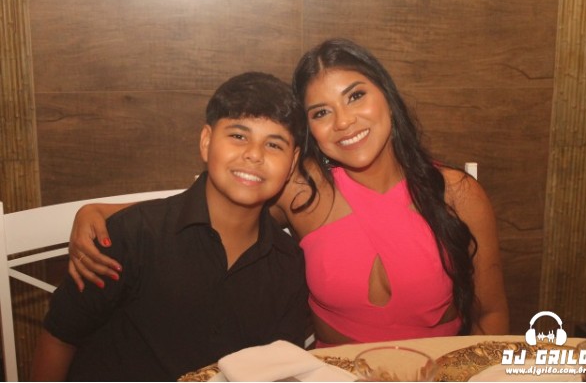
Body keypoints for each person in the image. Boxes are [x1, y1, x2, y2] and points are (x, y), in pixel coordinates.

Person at [67, 39, 509, 348]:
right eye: (321, 112)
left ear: (387, 97)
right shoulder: (303, 189)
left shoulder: (456, 193)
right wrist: (100, 211)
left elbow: (490, 316)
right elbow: (203, 208)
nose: (344, 122)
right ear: (308, 131)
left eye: (356, 96)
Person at [30, 72, 309, 381]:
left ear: (292, 163)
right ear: (206, 142)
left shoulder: (288, 263)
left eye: (274, 144)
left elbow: (281, 367)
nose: (254, 154)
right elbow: (60, 337)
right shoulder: (133, 235)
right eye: (239, 136)